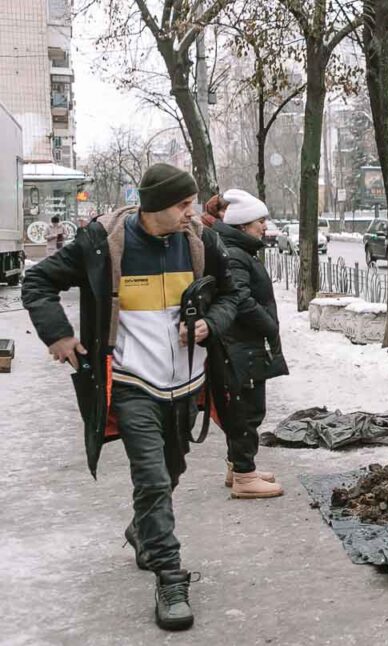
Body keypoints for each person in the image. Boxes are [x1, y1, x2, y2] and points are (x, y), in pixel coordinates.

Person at [21, 163, 238, 631]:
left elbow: (231, 295)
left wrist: (208, 323)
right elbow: (37, 283)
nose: (192, 212)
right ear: (154, 205)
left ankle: (142, 530)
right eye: (183, 205)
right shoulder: (103, 243)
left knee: (173, 469)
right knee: (153, 478)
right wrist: (57, 335)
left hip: (186, 385)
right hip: (131, 383)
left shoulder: (201, 241)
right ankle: (168, 574)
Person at [211, 189, 287, 499]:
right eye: (260, 221)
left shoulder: (237, 250)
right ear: (243, 225)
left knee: (244, 407)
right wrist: (268, 324)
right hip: (241, 345)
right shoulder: (236, 254)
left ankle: (239, 467)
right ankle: (244, 476)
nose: (265, 227)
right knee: (247, 410)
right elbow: (239, 298)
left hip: (242, 344)